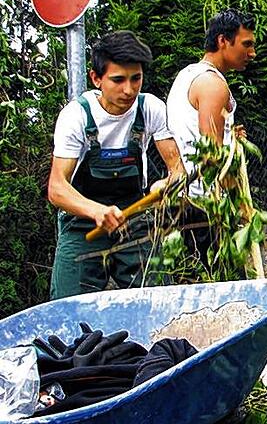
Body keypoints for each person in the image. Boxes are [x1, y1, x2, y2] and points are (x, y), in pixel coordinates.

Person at [47, 31, 183, 299]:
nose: (129, 90)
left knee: (157, 302)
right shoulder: (76, 116)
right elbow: (57, 188)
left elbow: (177, 167)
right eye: (118, 80)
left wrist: (169, 183)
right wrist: (97, 211)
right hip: (83, 225)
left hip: (134, 220)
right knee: (68, 309)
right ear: (96, 78)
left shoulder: (150, 109)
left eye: (136, 79)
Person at [166, 8, 256, 264]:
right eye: (246, 44)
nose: (252, 53)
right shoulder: (213, 85)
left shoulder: (188, 76)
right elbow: (213, 157)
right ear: (222, 41)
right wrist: (240, 205)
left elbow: (197, 134)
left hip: (184, 202)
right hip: (205, 207)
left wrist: (231, 138)